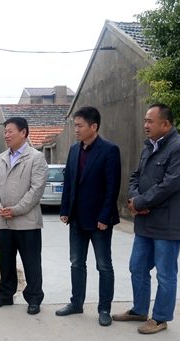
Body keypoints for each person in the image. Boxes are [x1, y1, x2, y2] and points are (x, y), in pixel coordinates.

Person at [112, 103, 180, 334]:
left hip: (168, 223)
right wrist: (134, 199)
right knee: (137, 267)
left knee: (165, 274)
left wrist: (140, 203)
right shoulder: (149, 147)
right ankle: (139, 310)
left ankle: (160, 318)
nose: (146, 125)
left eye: (150, 121)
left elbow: (170, 184)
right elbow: (136, 176)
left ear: (165, 124)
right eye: (145, 121)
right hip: (146, 223)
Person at [55, 107, 121, 327]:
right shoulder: (74, 150)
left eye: (80, 125)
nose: (76, 129)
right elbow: (69, 182)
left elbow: (112, 188)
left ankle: (104, 309)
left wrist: (105, 216)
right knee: (76, 262)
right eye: (75, 125)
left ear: (94, 126)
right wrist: (65, 210)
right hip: (76, 218)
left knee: (104, 265)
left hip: (100, 220)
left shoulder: (109, 150)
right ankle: (76, 303)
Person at [0, 117, 47, 315]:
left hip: (27, 222)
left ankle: (34, 298)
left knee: (31, 263)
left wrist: (16, 209)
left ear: (23, 132)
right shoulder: (0, 158)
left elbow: (36, 190)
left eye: (10, 131)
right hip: (4, 221)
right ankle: (5, 295)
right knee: (6, 262)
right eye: (5, 131)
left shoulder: (36, 158)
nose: (6, 135)